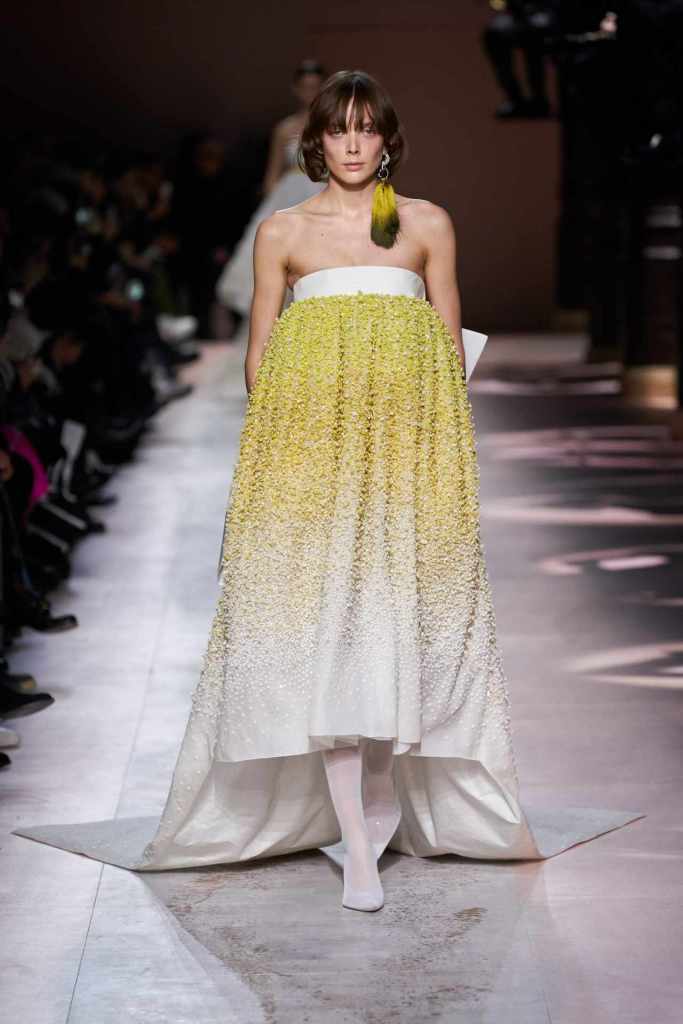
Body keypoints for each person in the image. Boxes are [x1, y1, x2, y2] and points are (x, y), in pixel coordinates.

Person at [14, 70, 643, 912]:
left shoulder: (426, 224)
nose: (352, 143)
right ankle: (356, 844)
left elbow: (448, 352)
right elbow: (258, 359)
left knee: (390, 635)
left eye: (366, 128)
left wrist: (432, 450)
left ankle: (375, 816)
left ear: (386, 140)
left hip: (405, 466)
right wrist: (281, 456)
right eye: (338, 129)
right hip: (308, 465)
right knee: (324, 640)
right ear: (315, 142)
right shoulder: (283, 232)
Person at [215, 59, 327, 321]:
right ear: (296, 89)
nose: (309, 92)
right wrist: (270, 208)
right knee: (278, 257)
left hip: (323, 193)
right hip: (290, 195)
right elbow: (272, 174)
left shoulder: (333, 125)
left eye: (315, 87)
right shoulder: (285, 129)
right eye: (305, 87)